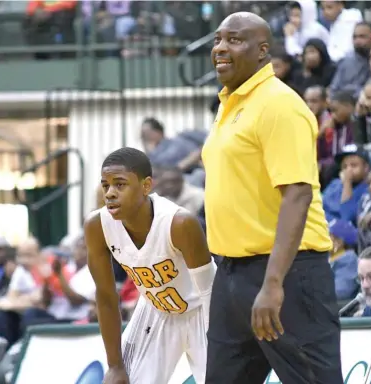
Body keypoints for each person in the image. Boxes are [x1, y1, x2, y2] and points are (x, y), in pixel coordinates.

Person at [204, 12, 342, 383]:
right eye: (218, 39)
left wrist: (273, 282)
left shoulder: (279, 104)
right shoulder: (230, 104)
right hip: (231, 274)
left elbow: (297, 193)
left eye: (234, 39)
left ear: (263, 51)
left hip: (287, 275)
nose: (220, 47)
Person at [84, 147, 216, 384]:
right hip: (157, 310)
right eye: (106, 186)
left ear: (146, 186)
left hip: (202, 310)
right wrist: (114, 365)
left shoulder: (180, 223)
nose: (110, 193)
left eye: (120, 184)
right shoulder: (97, 226)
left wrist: (221, 344)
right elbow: (105, 296)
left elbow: (209, 291)